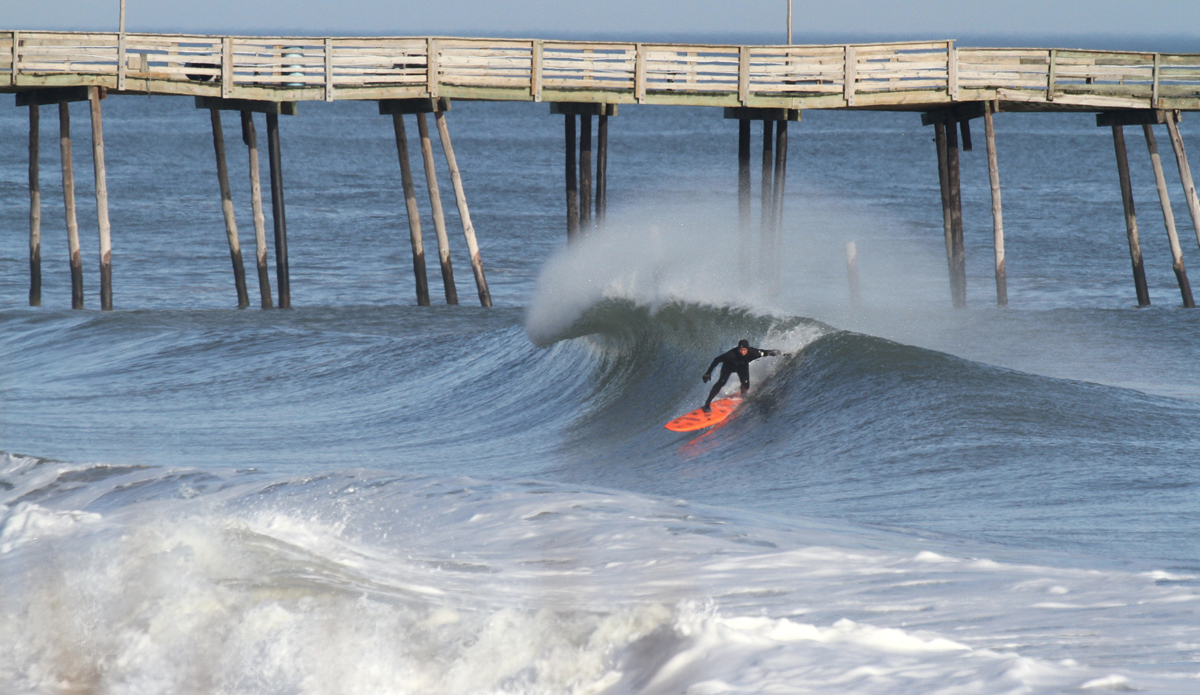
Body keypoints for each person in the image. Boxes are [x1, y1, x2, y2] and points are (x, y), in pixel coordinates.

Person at [701, 339, 781, 411]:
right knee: (721, 382)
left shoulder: (753, 353)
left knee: (745, 384)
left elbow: (768, 352)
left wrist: (782, 354)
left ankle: (743, 398)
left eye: (744, 350)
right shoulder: (731, 354)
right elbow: (716, 360)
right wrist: (708, 373)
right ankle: (707, 403)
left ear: (747, 349)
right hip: (729, 366)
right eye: (740, 350)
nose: (742, 352)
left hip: (742, 367)